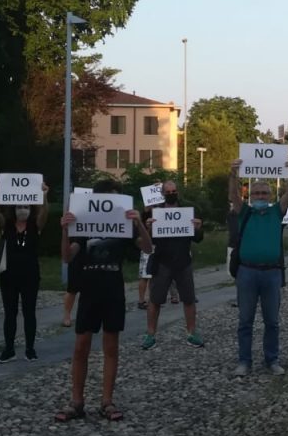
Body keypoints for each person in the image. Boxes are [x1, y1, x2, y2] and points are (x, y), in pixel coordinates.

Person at [55, 179, 152, 422]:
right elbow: (67, 257)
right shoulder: (84, 224)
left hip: (113, 288)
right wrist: (65, 230)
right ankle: (77, 401)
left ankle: (106, 401)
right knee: (81, 346)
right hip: (89, 287)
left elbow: (148, 249)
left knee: (111, 346)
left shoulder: (124, 224)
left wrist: (139, 224)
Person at [229, 159, 288, 377]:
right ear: (250, 197)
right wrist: (233, 174)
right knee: (245, 320)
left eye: (264, 194)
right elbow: (233, 195)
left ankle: (272, 359)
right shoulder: (245, 212)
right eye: (256, 193)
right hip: (247, 272)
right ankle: (244, 361)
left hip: (272, 273)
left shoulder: (276, 212)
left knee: (272, 321)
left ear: (270, 197)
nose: (260, 197)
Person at [0, 181, 49, 363]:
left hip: (30, 275)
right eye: (19, 206)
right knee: (10, 312)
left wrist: (44, 196)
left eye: (26, 206)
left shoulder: (34, 226)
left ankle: (30, 348)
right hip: (9, 275)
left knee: (29, 311)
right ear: (13, 208)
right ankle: (9, 349)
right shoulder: (6, 225)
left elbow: (44, 215)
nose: (22, 209)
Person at [142, 179, 206, 349]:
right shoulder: (155, 212)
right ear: (163, 193)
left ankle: (192, 333)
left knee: (189, 299)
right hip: (162, 261)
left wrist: (198, 227)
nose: (171, 194)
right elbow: (148, 241)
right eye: (168, 192)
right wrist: (148, 227)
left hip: (183, 261)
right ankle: (150, 334)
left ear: (178, 192)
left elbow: (198, 238)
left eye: (174, 191)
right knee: (155, 300)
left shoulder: (187, 211)